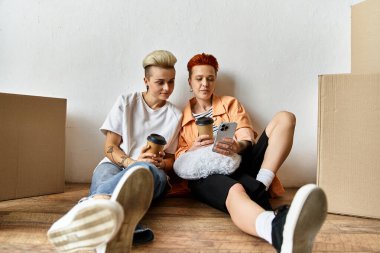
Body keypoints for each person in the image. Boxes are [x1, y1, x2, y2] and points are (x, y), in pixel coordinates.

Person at [175, 53, 327, 253]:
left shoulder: (230, 104)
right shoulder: (181, 117)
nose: (205, 84)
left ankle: (260, 186)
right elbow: (180, 160)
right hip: (208, 175)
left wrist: (237, 146)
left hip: (238, 159)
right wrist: (193, 149)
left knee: (285, 118)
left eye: (210, 78)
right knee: (235, 189)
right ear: (189, 81)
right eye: (199, 78)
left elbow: (246, 137)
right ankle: (276, 230)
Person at [47, 50, 182, 253]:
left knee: (144, 172)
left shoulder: (175, 115)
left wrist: (159, 163)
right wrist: (131, 163)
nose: (167, 88)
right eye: (160, 82)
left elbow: (172, 160)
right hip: (116, 164)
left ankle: (86, 208)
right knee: (104, 174)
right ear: (145, 80)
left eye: (171, 82)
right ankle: (120, 230)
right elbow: (109, 147)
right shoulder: (126, 102)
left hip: (152, 174)